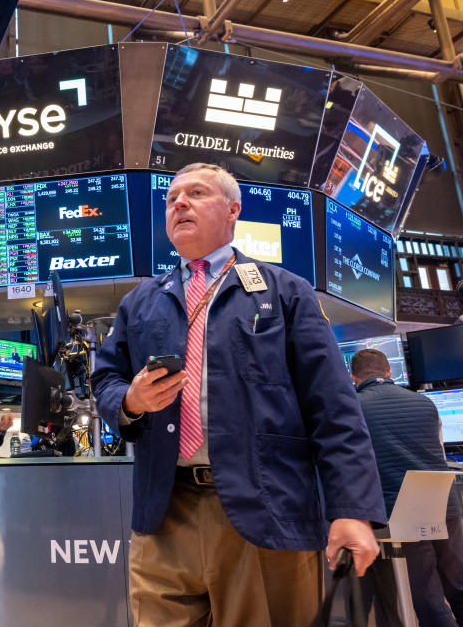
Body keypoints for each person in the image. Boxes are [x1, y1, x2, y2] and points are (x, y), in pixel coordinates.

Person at [91, 163, 386, 627]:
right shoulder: (141, 301)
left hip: (265, 506)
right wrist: (130, 401)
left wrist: (352, 510)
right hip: (163, 511)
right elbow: (105, 382)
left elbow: (333, 409)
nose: (179, 203)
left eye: (196, 193)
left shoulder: (285, 291)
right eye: (171, 199)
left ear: (233, 210)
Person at [351, 348, 463, 626]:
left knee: (427, 592)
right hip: (444, 500)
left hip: (402, 509)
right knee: (458, 581)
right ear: (389, 372)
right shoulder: (425, 403)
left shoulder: (352, 408)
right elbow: (438, 450)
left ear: (353, 378)